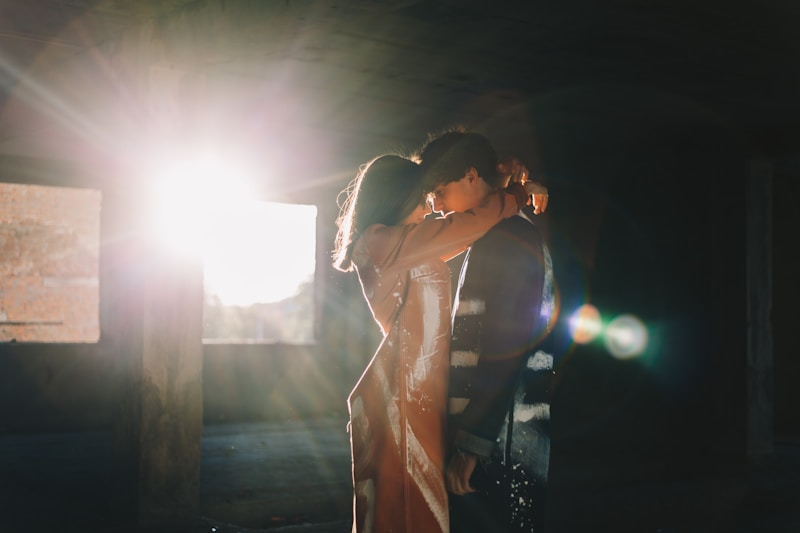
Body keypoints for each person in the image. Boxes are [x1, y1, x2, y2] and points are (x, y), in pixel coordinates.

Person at [332, 154, 536, 533]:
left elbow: (468, 229)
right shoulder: (381, 241)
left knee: (419, 510)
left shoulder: (403, 244)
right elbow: (469, 224)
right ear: (398, 195)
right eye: (423, 198)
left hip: (420, 388)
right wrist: (517, 195)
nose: (429, 208)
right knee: (410, 512)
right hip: (404, 397)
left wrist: (500, 186)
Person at [417, 130, 556, 533]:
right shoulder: (499, 231)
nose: (437, 205)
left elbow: (505, 346)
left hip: (502, 437)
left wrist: (472, 443)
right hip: (507, 432)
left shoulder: (509, 236)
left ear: (472, 176)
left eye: (441, 190)